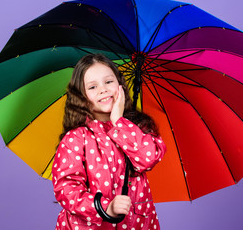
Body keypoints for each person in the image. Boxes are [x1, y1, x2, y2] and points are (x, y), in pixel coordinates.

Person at [52, 53, 166, 230]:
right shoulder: (76, 138)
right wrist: (106, 207)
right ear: (81, 96)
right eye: (92, 87)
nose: (103, 90)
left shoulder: (138, 127)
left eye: (108, 82)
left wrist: (119, 122)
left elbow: (149, 157)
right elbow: (67, 189)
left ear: (120, 85)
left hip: (135, 224)